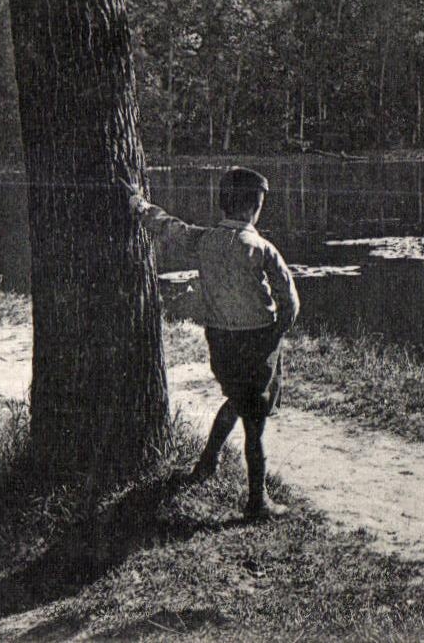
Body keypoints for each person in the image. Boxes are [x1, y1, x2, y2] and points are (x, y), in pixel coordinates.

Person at [127, 167, 299, 518]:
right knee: (255, 421)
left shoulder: (203, 239)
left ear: (224, 204)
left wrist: (138, 204)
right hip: (257, 342)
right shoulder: (261, 248)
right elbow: (290, 301)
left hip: (220, 340)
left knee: (236, 398)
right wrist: (276, 333)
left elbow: (168, 226)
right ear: (254, 206)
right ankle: (257, 500)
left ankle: (208, 462)